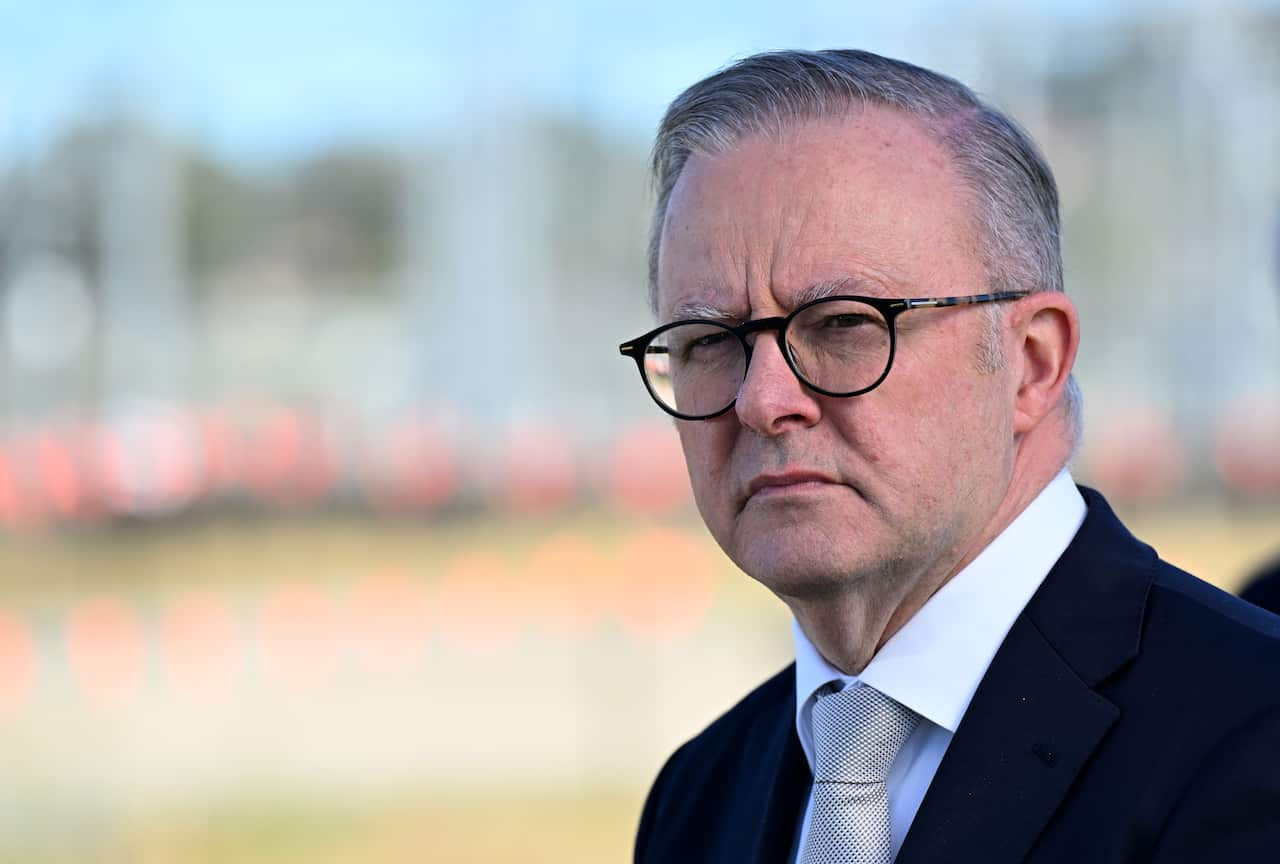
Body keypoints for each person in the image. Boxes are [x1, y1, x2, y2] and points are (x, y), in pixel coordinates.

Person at [618, 50, 1280, 863]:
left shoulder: (1251, 743)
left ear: (1032, 363)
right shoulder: (700, 797)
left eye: (843, 325)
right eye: (711, 340)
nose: (763, 400)